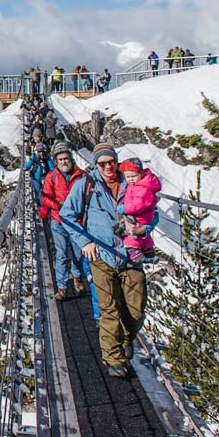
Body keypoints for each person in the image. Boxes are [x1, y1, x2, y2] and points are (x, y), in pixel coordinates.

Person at [58, 142, 149, 378]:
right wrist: (84, 242)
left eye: (111, 162)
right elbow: (66, 215)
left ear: (116, 162)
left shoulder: (132, 182)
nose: (108, 167)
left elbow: (152, 211)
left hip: (131, 253)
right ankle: (113, 358)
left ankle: (127, 338)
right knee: (108, 309)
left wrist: (145, 229)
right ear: (95, 164)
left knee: (136, 310)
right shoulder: (87, 185)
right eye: (102, 163)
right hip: (101, 254)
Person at [40, 142, 85, 301]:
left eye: (66, 158)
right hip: (58, 220)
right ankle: (63, 287)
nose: (64, 161)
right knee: (62, 254)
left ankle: (77, 277)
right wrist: (57, 206)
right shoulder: (52, 177)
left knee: (78, 253)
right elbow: (45, 197)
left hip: (76, 221)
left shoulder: (81, 176)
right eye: (60, 159)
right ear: (56, 161)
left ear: (70, 158)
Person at [118, 158, 159, 263]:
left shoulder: (143, 188)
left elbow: (138, 205)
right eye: (128, 177)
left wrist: (124, 209)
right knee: (142, 237)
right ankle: (148, 251)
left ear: (140, 173)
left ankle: (134, 252)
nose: (131, 179)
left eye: (134, 176)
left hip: (138, 216)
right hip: (142, 217)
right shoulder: (137, 185)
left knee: (131, 235)